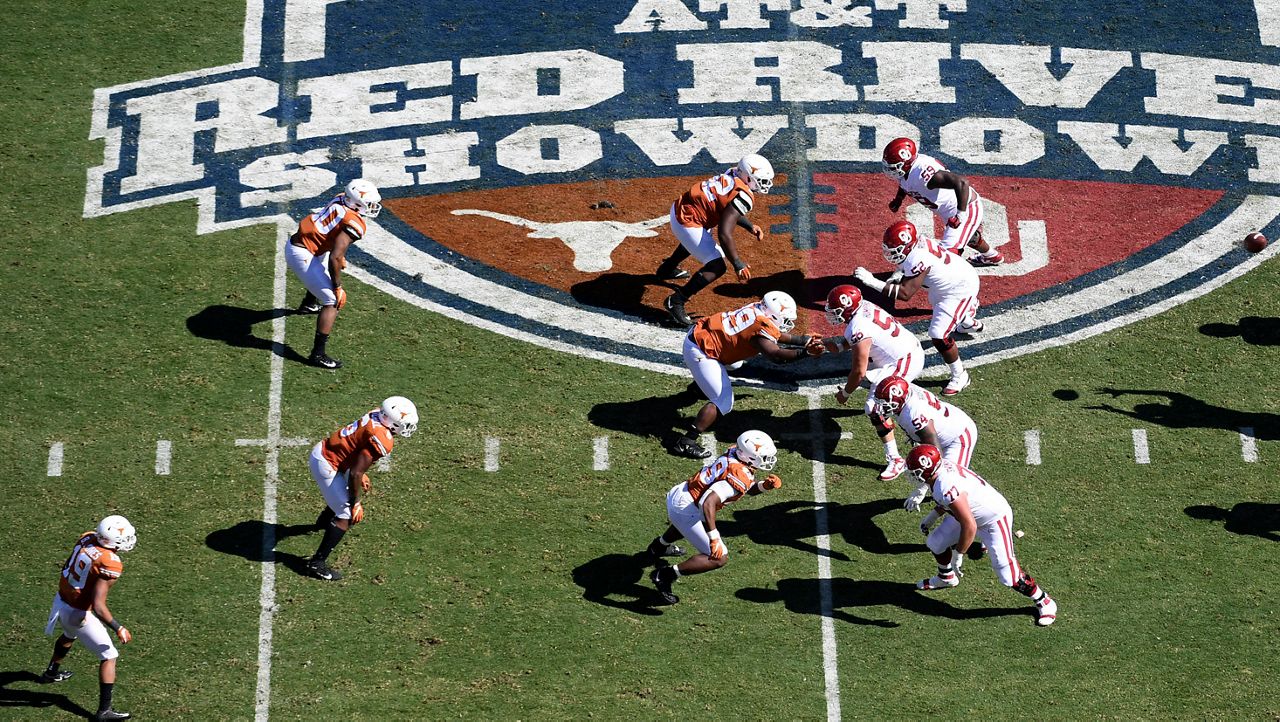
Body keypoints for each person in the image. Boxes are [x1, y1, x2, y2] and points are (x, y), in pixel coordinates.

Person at [905, 445, 1057, 626]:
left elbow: (969, 524)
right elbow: (952, 502)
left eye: (916, 472)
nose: (913, 476)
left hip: (993, 518)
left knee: (1008, 575)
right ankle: (946, 577)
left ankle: (1043, 600)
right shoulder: (942, 470)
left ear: (927, 470)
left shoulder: (945, 485)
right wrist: (933, 516)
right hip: (971, 513)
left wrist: (958, 554)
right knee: (936, 543)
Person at [671, 291, 825, 459]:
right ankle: (686, 442)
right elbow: (776, 356)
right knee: (723, 402)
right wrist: (806, 353)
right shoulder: (761, 326)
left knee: (735, 364)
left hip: (702, 336)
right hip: (701, 350)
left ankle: (699, 388)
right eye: (786, 319)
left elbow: (773, 333)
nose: (789, 324)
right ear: (772, 315)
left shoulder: (757, 309)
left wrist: (802, 340)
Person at [647, 430, 784, 605]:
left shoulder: (736, 452)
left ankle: (658, 546)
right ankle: (664, 576)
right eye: (764, 456)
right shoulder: (739, 473)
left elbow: (745, 486)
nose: (768, 460)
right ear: (750, 456)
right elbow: (707, 503)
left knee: (691, 523)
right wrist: (714, 537)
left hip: (683, 493)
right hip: (688, 506)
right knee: (719, 557)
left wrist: (764, 486)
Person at [855, 220, 981, 395]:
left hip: (959, 289)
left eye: (895, 250)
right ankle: (965, 322)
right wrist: (894, 278)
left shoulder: (917, 257)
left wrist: (871, 281)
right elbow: (905, 269)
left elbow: (905, 294)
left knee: (938, 335)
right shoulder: (916, 246)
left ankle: (960, 374)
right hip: (950, 283)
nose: (890, 254)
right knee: (943, 312)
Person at [307, 396, 418, 581]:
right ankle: (316, 564)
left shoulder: (377, 414)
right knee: (347, 515)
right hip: (328, 464)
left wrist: (359, 472)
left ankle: (323, 524)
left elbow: (356, 444)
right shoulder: (383, 438)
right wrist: (356, 502)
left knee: (346, 492)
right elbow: (355, 474)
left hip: (327, 453)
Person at [821, 283, 924, 481]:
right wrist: (837, 346)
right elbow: (859, 338)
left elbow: (858, 371)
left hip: (903, 361)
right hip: (905, 351)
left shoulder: (858, 326)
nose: (832, 314)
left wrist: (845, 394)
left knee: (875, 408)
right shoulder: (864, 306)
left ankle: (895, 459)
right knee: (877, 392)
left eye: (836, 310)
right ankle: (908, 401)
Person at [657, 154, 775, 326]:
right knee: (717, 266)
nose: (765, 185)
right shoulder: (744, 195)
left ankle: (667, 269)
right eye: (761, 180)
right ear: (748, 177)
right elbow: (724, 233)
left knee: (700, 237)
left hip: (681, 207)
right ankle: (676, 301)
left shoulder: (733, 173)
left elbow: (725, 208)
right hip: (687, 221)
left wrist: (749, 225)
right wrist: (737, 264)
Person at [41, 516, 138, 721]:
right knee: (109, 655)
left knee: (69, 634)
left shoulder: (87, 537)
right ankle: (104, 711)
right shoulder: (110, 562)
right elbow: (100, 606)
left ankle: (51, 671)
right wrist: (118, 627)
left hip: (61, 599)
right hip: (77, 612)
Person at [287, 179, 382, 369]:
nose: (373, 207)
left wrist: (336, 256)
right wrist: (337, 286)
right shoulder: (355, 221)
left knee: (322, 266)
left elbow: (330, 234)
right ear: (357, 203)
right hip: (304, 253)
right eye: (369, 203)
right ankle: (318, 354)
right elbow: (335, 258)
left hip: (305, 244)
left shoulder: (341, 198)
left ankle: (308, 304)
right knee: (334, 300)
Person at [881, 137, 1003, 266]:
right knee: (967, 237)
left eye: (894, 168)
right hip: (949, 211)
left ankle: (959, 284)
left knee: (946, 258)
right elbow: (906, 183)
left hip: (966, 208)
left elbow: (962, 183)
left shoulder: (924, 173)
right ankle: (992, 256)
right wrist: (899, 199)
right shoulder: (907, 171)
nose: (891, 171)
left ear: (906, 163)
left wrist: (960, 215)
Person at [872, 375, 978, 511]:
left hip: (958, 437)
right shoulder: (908, 396)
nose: (881, 407)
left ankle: (974, 512)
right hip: (943, 426)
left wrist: (922, 489)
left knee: (949, 484)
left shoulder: (914, 414)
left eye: (885, 403)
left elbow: (935, 454)